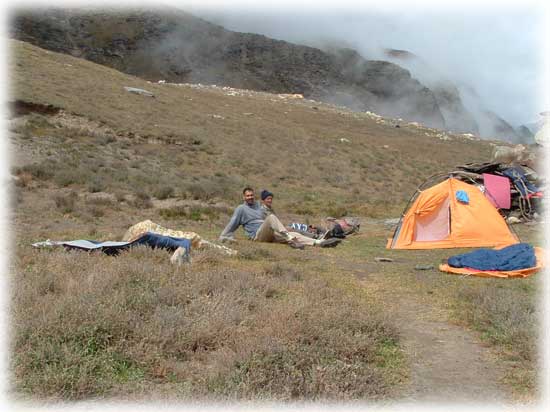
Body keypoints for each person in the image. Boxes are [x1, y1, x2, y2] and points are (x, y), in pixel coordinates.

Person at [219, 187, 341, 248]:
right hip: (258, 235)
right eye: (247, 196)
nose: (250, 197)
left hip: (270, 234)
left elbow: (268, 213)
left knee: (295, 233)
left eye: (251, 195)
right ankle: (289, 237)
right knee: (272, 219)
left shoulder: (258, 206)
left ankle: (319, 242)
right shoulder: (241, 208)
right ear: (243, 197)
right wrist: (225, 236)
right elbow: (233, 222)